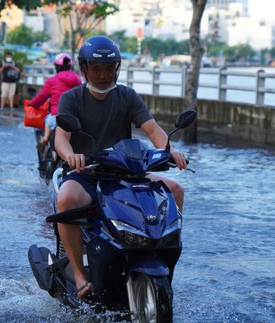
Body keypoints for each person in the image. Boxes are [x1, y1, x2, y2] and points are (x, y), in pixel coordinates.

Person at [54, 36, 188, 299]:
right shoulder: (71, 98)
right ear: (84, 69)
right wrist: (71, 156)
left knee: (174, 190)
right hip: (86, 173)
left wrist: (170, 152)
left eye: (109, 68)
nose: (103, 75)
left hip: (126, 170)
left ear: (117, 68)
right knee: (67, 199)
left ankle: (160, 256)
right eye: (96, 68)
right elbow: (61, 137)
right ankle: (80, 274)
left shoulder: (127, 95)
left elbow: (152, 129)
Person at [29, 53, 82, 151]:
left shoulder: (52, 81)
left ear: (56, 66)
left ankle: (45, 138)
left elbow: (41, 97)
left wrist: (32, 103)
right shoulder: (78, 80)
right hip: (75, 118)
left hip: (56, 117)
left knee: (48, 120)